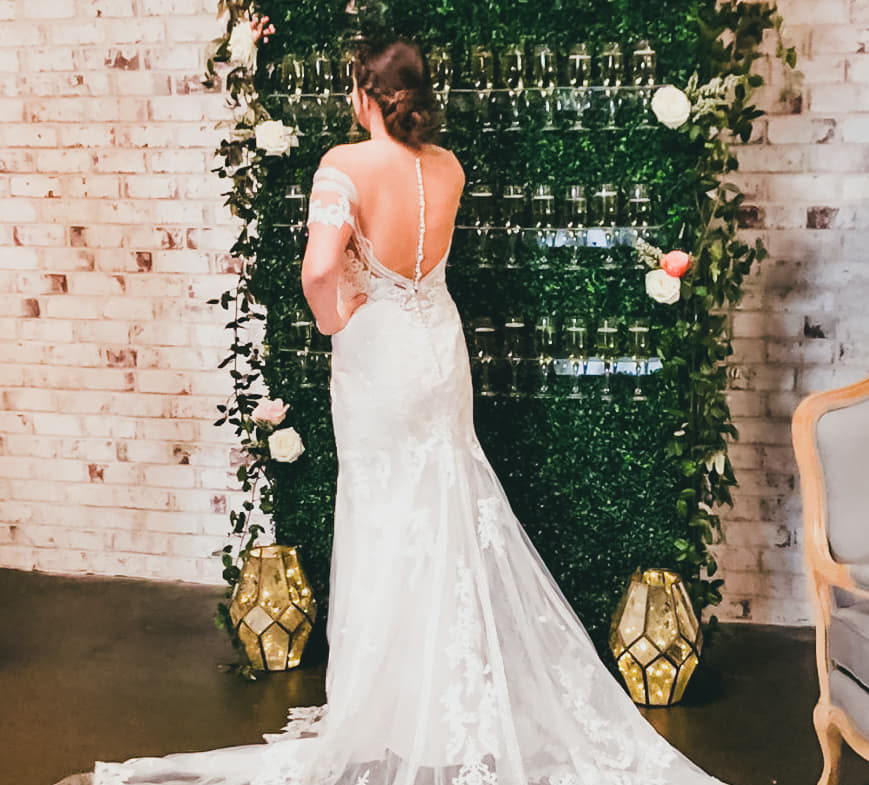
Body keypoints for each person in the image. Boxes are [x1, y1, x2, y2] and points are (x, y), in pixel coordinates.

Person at [91, 35, 732, 785]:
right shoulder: (448, 167)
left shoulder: (344, 164)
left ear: (366, 95)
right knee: (443, 506)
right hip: (438, 347)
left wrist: (332, 318)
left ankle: (391, 707)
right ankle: (440, 698)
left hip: (379, 354)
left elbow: (319, 268)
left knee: (383, 511)